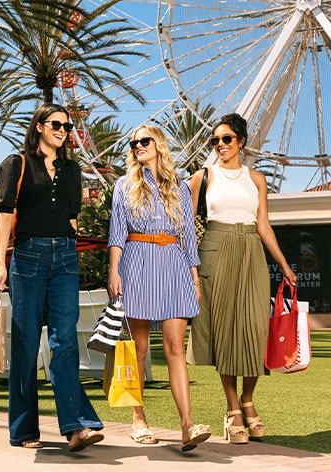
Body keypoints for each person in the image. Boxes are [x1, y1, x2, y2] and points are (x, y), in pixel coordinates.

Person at [0, 102, 104, 451]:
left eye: (68, 127)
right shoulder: (18, 164)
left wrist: (72, 256)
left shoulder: (72, 171)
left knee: (65, 341)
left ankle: (76, 428)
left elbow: (72, 219)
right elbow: (5, 218)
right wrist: (0, 264)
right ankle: (24, 430)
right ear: (39, 126)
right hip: (27, 256)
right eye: (56, 124)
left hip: (65, 258)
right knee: (25, 344)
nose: (63, 130)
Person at [186, 113, 296, 444]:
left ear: (241, 142)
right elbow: (187, 229)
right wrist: (192, 271)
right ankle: (234, 409)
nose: (220, 145)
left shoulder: (257, 179)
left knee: (254, 328)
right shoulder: (201, 177)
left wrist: (284, 264)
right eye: (214, 141)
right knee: (224, 330)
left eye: (226, 139)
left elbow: (263, 224)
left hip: (251, 252)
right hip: (215, 252)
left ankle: (249, 399)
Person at [108, 125, 211, 451]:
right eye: (133, 142)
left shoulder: (179, 188)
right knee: (138, 349)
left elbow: (188, 237)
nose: (137, 145)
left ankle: (187, 426)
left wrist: (194, 278)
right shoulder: (123, 186)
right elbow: (116, 233)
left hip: (174, 266)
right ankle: (138, 419)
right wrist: (114, 271)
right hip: (136, 265)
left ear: (159, 145)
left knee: (175, 349)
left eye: (144, 140)